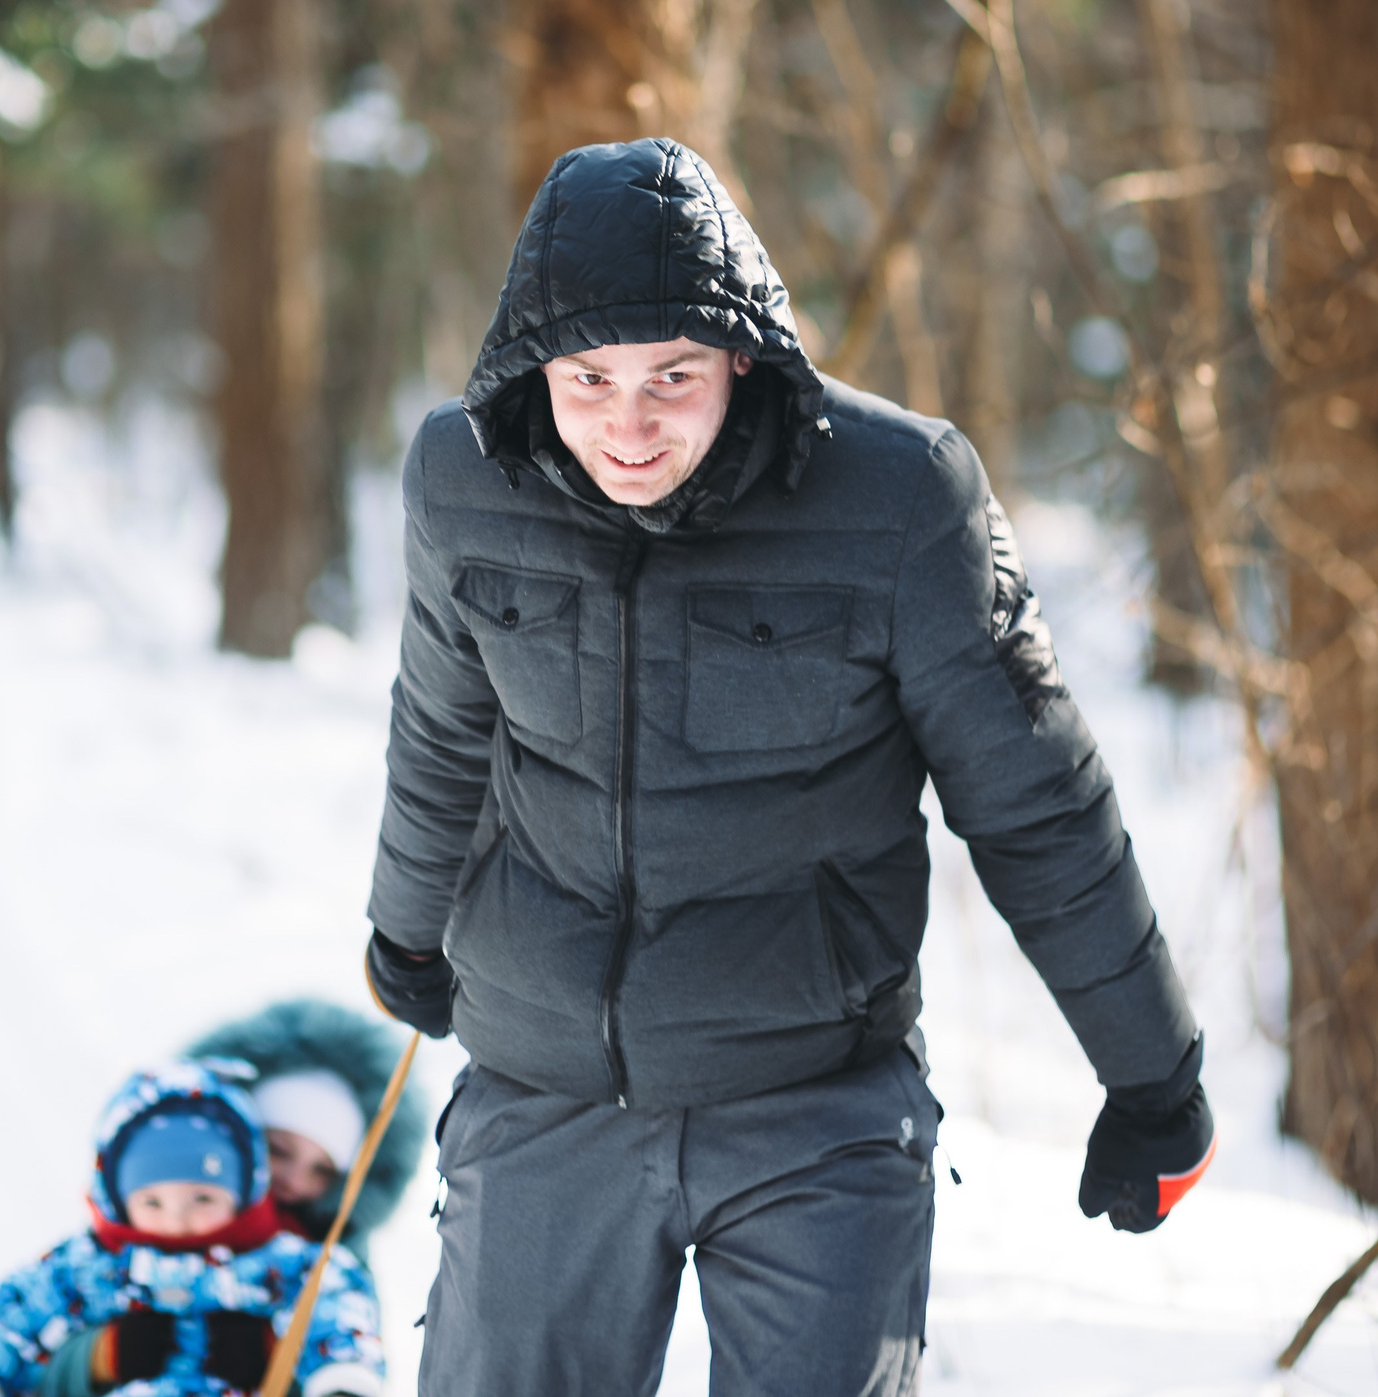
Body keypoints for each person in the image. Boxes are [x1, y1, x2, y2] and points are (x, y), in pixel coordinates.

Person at [363, 137, 1215, 1395]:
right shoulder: (462, 476)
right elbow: (442, 728)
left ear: (742, 357)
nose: (628, 424)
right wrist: (408, 931)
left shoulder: (900, 498)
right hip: (545, 1089)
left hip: (816, 1099)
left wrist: (1152, 1073)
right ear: (530, 362)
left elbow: (1031, 797)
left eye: (673, 375)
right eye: (588, 376)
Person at [0, 1058, 384, 1397]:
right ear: (116, 1198)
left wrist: (340, 1382)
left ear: (246, 1188)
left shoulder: (282, 1262)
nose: (178, 1218)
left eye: (203, 1198)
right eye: (152, 1201)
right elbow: (15, 1322)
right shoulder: (87, 1264)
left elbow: (338, 1311)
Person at [185, 999, 429, 1251]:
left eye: (322, 1171)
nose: (294, 1182)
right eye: (277, 1150)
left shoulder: (335, 1256)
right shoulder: (164, 1209)